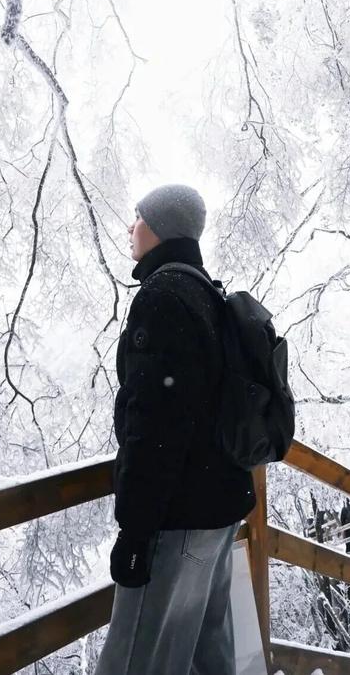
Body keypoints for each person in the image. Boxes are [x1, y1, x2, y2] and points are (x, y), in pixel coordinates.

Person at [95, 184, 256, 675]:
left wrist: (137, 531)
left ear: (160, 229)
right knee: (209, 654)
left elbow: (155, 423)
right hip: (219, 508)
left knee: (135, 662)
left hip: (178, 518)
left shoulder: (163, 297)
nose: (130, 227)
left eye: (138, 218)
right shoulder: (206, 290)